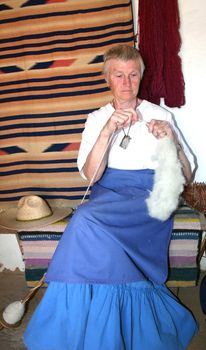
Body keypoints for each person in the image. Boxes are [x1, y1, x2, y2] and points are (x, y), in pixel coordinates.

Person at [24, 44, 198, 350]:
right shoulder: (96, 118)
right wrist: (107, 131)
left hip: (150, 197)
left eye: (133, 75)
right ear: (107, 78)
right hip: (108, 193)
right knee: (87, 219)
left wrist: (173, 144)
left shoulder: (160, 115)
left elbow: (186, 175)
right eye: (119, 75)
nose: (127, 83)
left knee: (87, 220)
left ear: (141, 76)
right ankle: (80, 330)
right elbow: (92, 176)